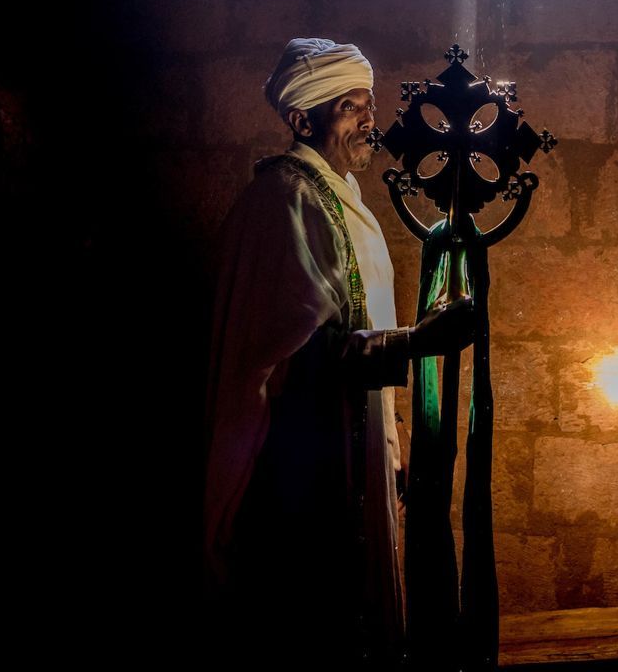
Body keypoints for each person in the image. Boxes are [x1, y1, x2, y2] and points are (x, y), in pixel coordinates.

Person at [202, 38, 475, 669]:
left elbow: (354, 321)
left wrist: (392, 436)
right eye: (350, 106)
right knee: (319, 625)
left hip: (356, 445)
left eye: (369, 105)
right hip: (306, 463)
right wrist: (419, 340)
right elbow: (291, 362)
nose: (369, 121)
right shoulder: (286, 204)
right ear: (303, 119)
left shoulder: (341, 199)